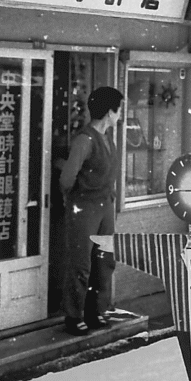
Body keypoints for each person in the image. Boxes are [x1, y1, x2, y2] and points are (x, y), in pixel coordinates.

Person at [59, 86, 123, 335]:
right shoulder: (85, 140)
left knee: (104, 260)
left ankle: (96, 310)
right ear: (109, 112)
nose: (120, 116)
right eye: (118, 110)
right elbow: (67, 178)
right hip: (84, 206)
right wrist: (77, 198)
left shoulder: (108, 138)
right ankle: (73, 315)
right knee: (81, 262)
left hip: (104, 205)